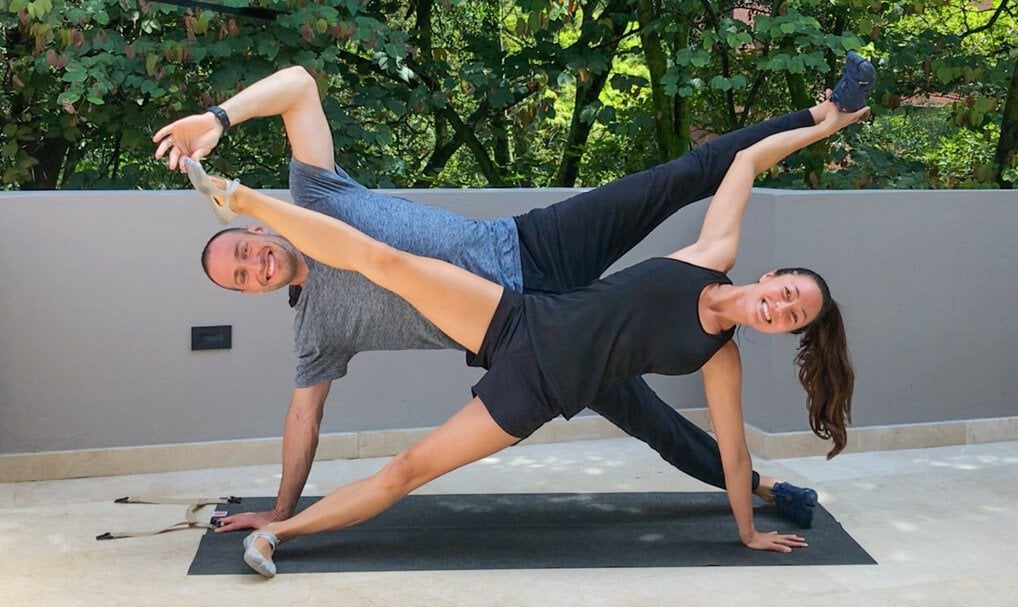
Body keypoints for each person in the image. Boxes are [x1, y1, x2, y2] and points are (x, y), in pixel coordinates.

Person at [182, 66, 870, 575]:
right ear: (249, 293)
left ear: (255, 228)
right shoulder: (316, 330)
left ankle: (822, 104)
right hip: (519, 334)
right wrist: (279, 508)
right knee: (658, 426)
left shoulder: (312, 190)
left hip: (529, 248)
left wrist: (217, 120)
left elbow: (300, 85)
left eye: (245, 250)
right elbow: (303, 419)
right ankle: (763, 488)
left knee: (678, 175)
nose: (253, 266)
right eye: (240, 277)